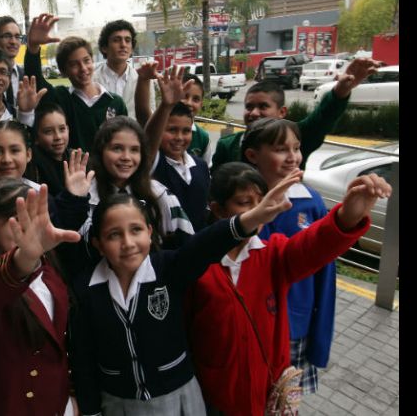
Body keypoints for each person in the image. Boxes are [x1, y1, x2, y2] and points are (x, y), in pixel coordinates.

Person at [68, 170, 305, 416]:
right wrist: (91, 411)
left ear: (150, 232)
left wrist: (251, 217)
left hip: (178, 398)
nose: (128, 243)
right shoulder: (85, 290)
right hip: (119, 402)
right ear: (98, 244)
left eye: (136, 230)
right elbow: (83, 358)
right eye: (114, 235)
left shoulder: (170, 268)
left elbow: (206, 245)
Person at [186, 162, 389, 416]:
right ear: (217, 209)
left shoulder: (274, 254)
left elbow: (316, 244)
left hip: (269, 395)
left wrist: (349, 214)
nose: (258, 209)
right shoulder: (195, 262)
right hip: (215, 395)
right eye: (244, 202)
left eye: (262, 200)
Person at [0, 180, 82, 416]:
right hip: (12, 405)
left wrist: (68, 395)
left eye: (33, 217)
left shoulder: (47, 263)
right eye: (15, 218)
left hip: (55, 399)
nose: (27, 227)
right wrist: (23, 260)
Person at [242, 117, 335, 397]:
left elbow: (325, 278)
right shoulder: (241, 204)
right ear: (252, 155)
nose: (292, 157)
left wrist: (319, 337)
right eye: (281, 149)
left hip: (295, 327)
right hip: (251, 322)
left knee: (284, 403)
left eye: (296, 148)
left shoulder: (311, 202)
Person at [211, 58, 380, 171]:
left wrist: (342, 89)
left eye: (263, 106)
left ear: (282, 112)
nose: (254, 113)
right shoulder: (227, 145)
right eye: (249, 107)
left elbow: (322, 117)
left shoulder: (298, 136)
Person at [80, 116, 194, 250]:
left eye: (134, 150)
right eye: (117, 148)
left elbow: (188, 247)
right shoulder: (84, 195)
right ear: (101, 152)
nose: (126, 157)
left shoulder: (158, 193)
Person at [22, 13, 129, 152]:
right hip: (72, 171)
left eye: (86, 61)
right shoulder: (60, 98)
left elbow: (124, 141)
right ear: (63, 71)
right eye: (74, 64)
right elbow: (34, 79)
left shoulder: (115, 102)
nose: (83, 69)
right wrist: (33, 47)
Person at [143, 66, 211, 231]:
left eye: (186, 131)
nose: (179, 138)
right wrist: (166, 106)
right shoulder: (154, 163)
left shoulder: (200, 166)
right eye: (172, 130)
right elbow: (148, 135)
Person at [93, 19, 156, 122]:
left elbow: (150, 116)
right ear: (104, 48)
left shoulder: (142, 79)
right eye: (117, 40)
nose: (123, 45)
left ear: (131, 48)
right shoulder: (92, 78)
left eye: (127, 40)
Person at [29, 103, 72, 196]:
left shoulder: (76, 159)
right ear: (36, 137)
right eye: (48, 131)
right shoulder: (32, 165)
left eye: (62, 129)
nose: (58, 137)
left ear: (68, 129)